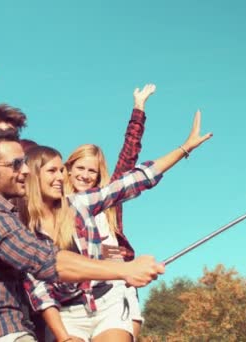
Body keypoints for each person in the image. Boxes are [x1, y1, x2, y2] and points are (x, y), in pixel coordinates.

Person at [0, 130, 165, 342]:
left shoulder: (14, 213)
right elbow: (48, 263)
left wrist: (184, 149)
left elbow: (126, 181)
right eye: (15, 164)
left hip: (21, 324)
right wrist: (125, 269)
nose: (24, 171)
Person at [22, 110, 212, 342]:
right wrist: (63, 337)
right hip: (65, 314)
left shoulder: (81, 204)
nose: (61, 177)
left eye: (61, 170)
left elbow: (133, 179)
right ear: (31, 176)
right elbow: (40, 291)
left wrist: (185, 148)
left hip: (106, 301)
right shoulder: (22, 229)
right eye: (53, 171)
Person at [63, 84, 155, 339]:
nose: (84, 175)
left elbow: (129, 157)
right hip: (74, 299)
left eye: (91, 171)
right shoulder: (58, 204)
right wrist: (103, 252)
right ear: (68, 169)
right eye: (80, 168)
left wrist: (139, 107)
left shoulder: (107, 200)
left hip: (116, 287)